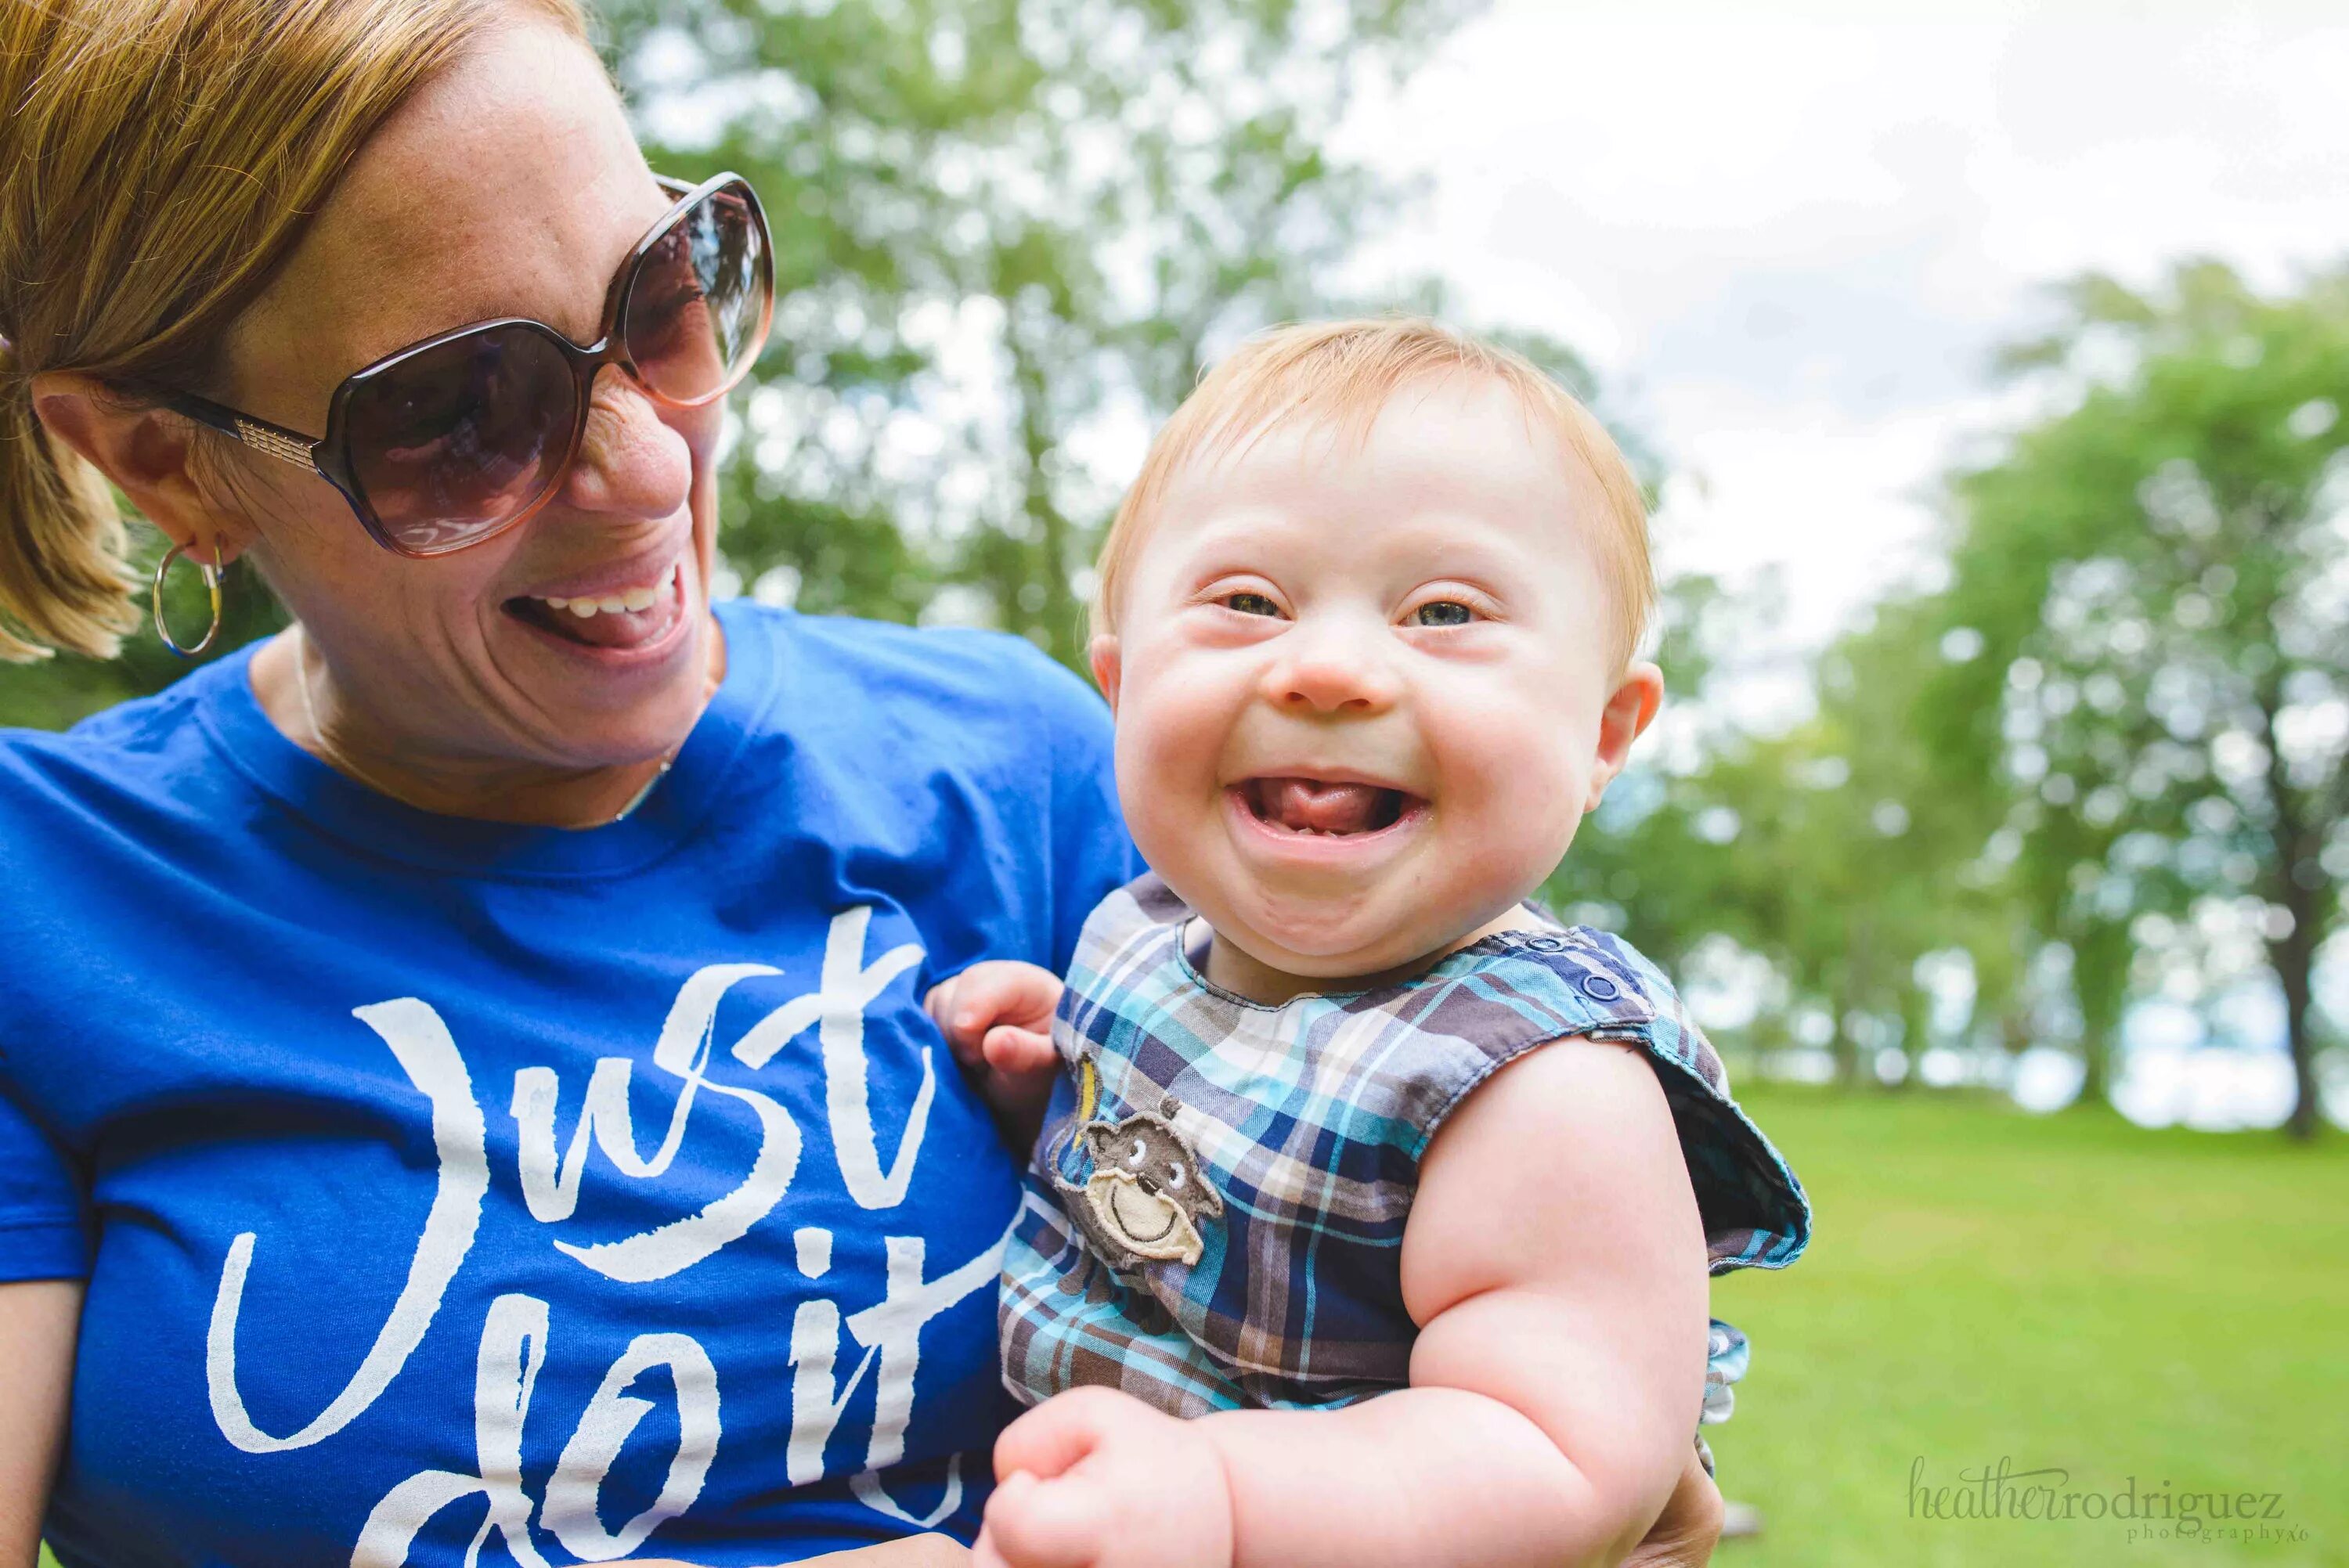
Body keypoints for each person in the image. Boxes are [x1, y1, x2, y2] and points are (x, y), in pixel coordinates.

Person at [0, 2, 1734, 1563]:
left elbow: (1530, 1426)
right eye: (460, 411)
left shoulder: (1038, 771)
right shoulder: (46, 898)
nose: (644, 465)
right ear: (164, 463)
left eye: (661, 297)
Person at [933, 321, 1811, 1568]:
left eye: (1444, 611)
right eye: (1248, 601)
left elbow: (1556, 1452)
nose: (1331, 668)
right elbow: (1200, 1202)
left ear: (1607, 733)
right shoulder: (1139, 940)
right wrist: (1059, 1088)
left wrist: (1225, 1499)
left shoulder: (1538, 1084)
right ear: (1121, 689)